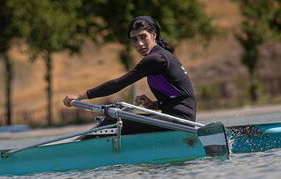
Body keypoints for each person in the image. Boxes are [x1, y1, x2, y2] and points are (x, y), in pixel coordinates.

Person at [63, 16, 196, 135]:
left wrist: (80, 96)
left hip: (180, 122)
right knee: (114, 122)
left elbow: (119, 84)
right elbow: (180, 98)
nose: (140, 44)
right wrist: (155, 105)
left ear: (153, 35)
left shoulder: (156, 58)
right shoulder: (160, 56)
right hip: (178, 118)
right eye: (134, 40)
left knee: (112, 123)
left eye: (143, 37)